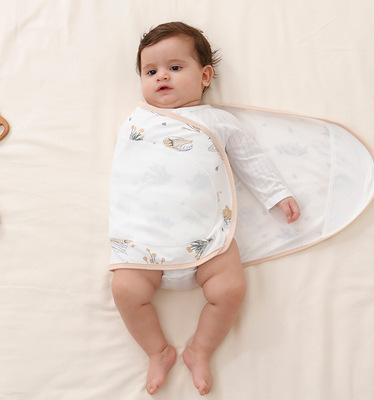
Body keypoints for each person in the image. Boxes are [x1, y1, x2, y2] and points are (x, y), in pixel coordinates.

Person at [110, 21, 300, 396]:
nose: (161, 76)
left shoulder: (217, 120)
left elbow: (249, 158)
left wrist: (276, 193)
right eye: (150, 71)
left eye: (174, 67)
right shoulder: (138, 121)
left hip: (208, 237)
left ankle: (200, 349)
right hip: (144, 239)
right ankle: (157, 351)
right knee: (125, 291)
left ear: (205, 76)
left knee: (230, 288)